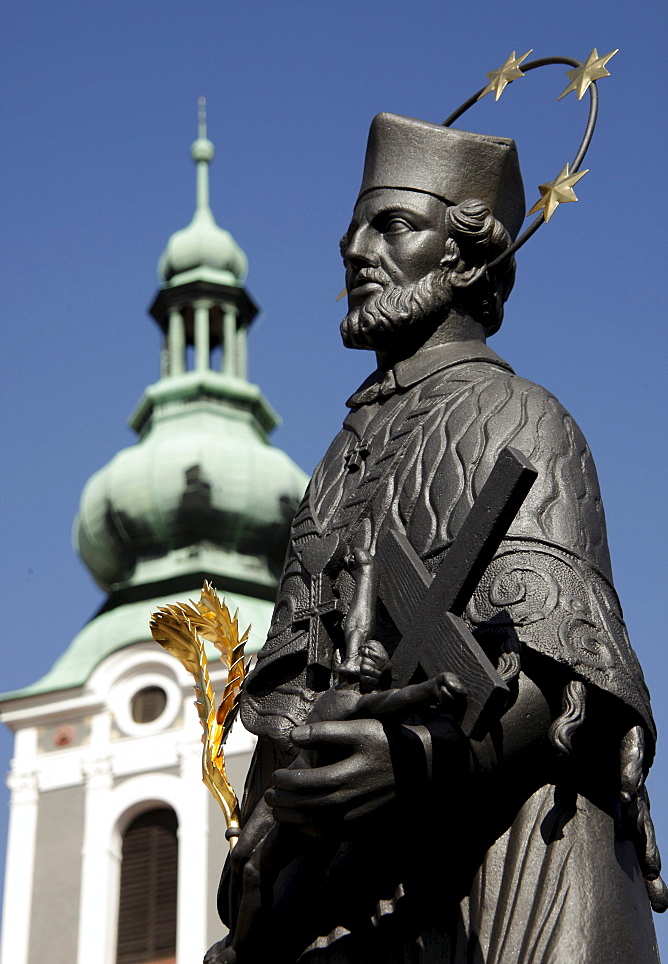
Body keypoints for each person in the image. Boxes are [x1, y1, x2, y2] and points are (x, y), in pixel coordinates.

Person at [207, 112, 665, 963]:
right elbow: (292, 706)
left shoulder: (520, 415)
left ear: (461, 256)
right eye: (354, 225)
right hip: (369, 895)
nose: (354, 249)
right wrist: (260, 879)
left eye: (392, 226)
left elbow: (567, 670)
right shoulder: (336, 464)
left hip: (504, 862)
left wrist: (412, 759)